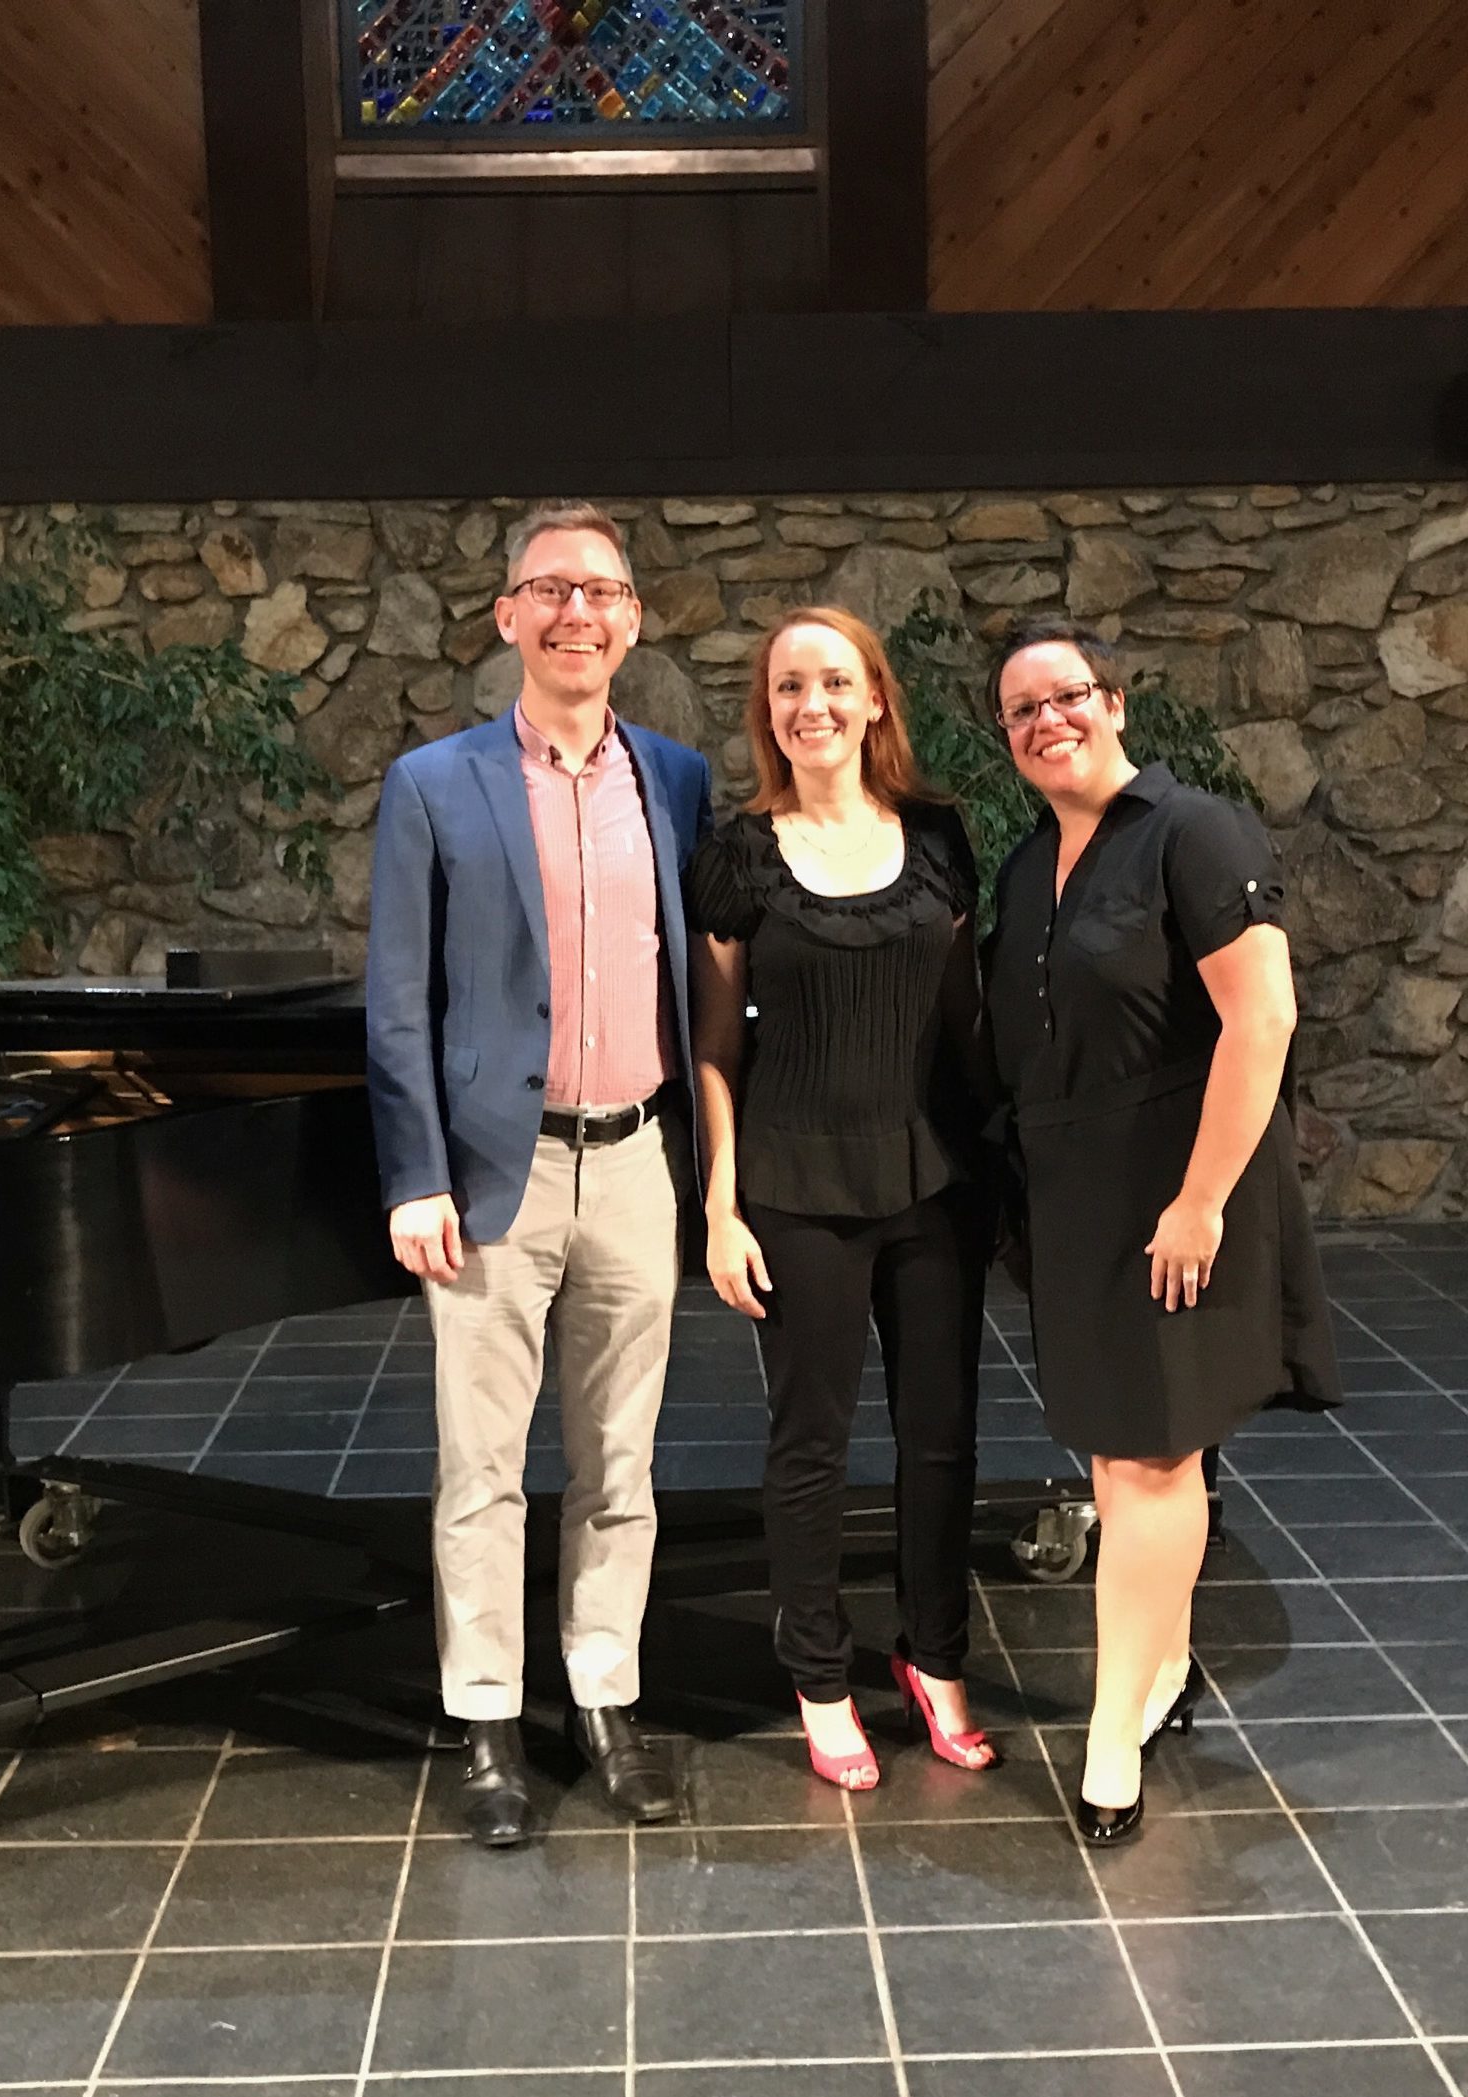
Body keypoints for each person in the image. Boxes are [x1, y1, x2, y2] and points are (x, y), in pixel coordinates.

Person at [365, 500, 714, 1849]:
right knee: (483, 1469)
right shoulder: (434, 783)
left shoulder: (674, 779)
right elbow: (400, 1002)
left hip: (635, 1160)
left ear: (634, 621)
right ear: (508, 614)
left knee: (622, 1459)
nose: (579, 612)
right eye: (552, 588)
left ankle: (607, 1700)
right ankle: (487, 1720)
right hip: (491, 1173)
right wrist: (415, 1173)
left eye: (603, 591)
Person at [983, 620, 1343, 1846]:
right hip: (1078, 1200)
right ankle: (1165, 1665)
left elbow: (1263, 1019)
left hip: (1179, 1192)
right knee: (1124, 1456)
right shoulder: (1030, 866)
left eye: (1067, 695)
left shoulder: (1197, 831)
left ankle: (1109, 1733)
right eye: (1022, 710)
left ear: (1117, 701)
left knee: (1152, 1460)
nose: (1048, 721)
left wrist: (1199, 1202)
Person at [687, 607, 996, 1793]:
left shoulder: (940, 841)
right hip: (794, 1184)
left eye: (832, 682)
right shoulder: (739, 855)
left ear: (875, 700)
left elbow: (964, 1024)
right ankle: (819, 1676)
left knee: (942, 1437)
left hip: (933, 1180)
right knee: (810, 1443)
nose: (810, 704)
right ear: (767, 713)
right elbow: (716, 1047)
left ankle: (935, 1657)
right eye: (787, 688)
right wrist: (720, 1207)